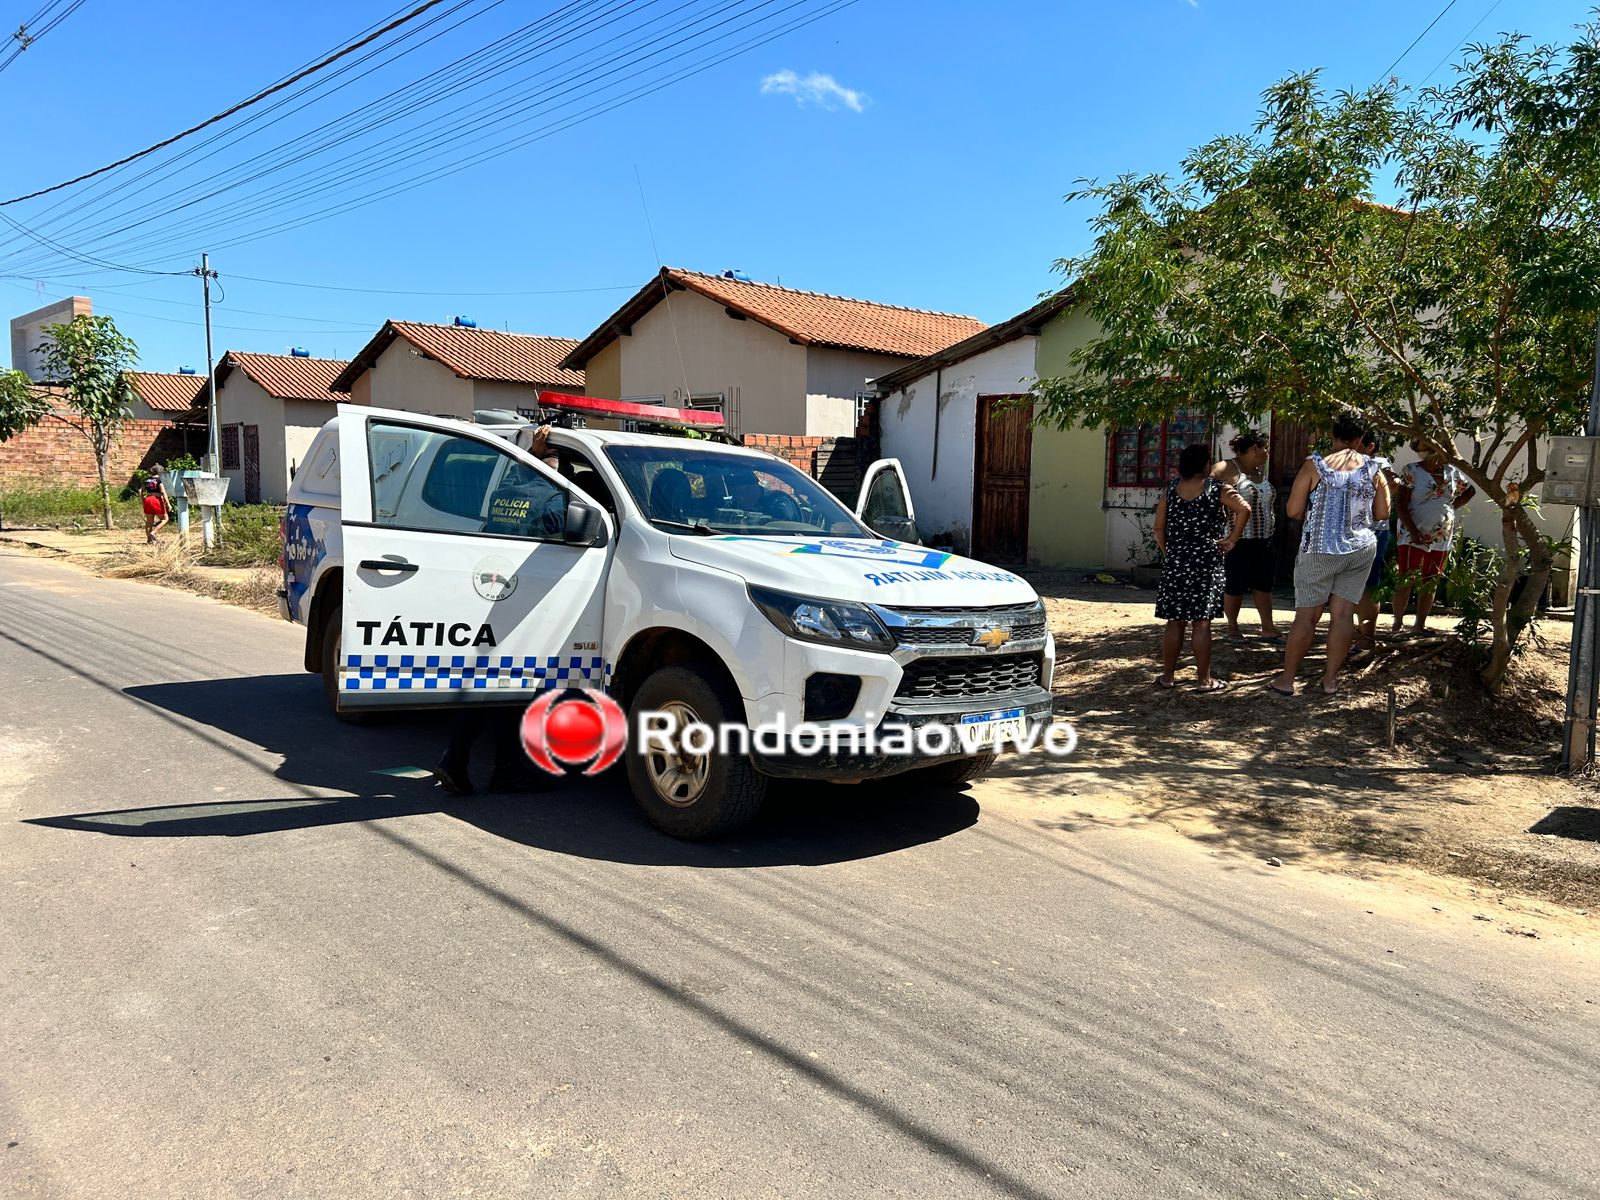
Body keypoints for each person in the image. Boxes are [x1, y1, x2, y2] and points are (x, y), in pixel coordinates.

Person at [1267, 412, 1390, 698]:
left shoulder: (1315, 466)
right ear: (1361, 440)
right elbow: (1383, 513)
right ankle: (1330, 680)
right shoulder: (1374, 469)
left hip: (1320, 549)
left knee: (1306, 617)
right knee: (1343, 616)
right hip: (1360, 549)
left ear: (1333, 435)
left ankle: (1287, 680)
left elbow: (1293, 510)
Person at [1154, 443, 1251, 692]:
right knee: (1201, 622)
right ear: (1206, 465)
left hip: (1176, 562)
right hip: (1206, 562)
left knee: (1174, 622)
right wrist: (1232, 539)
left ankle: (1167, 677)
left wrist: (1170, 553)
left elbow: (1158, 528)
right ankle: (1204, 680)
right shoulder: (1216, 489)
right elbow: (1244, 509)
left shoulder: (1170, 491)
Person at [1390, 438, 1475, 637]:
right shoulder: (1411, 470)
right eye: (1424, 448)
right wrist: (1412, 531)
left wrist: (1449, 509)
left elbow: (1470, 490)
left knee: (1431, 579)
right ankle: (1397, 624)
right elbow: (1401, 503)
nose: (1427, 452)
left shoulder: (1452, 473)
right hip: (1413, 533)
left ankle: (1419, 625)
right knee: (1407, 577)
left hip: (1440, 536)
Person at [1211, 430, 1280, 643]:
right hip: (1237, 540)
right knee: (1234, 585)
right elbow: (1207, 489)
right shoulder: (1226, 468)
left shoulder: (1260, 472)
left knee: (1263, 585)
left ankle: (1267, 628)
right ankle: (1232, 627)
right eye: (1265, 448)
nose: (1267, 452)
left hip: (1264, 539)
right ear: (1254, 449)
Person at [1353, 430, 1399, 656]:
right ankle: (1359, 637)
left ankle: (1366, 639)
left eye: (1358, 441)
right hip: (1359, 532)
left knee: (1368, 585)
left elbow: (1394, 482)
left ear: (1369, 446)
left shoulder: (1377, 462)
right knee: (1359, 586)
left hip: (1373, 532)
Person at [141, 464, 173, 544]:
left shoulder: (147, 480)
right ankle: (153, 533)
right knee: (165, 519)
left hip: (148, 499)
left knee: (149, 522)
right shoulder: (159, 480)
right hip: (156, 499)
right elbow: (162, 491)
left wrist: (143, 499)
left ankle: (149, 540)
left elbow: (140, 490)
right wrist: (168, 503)